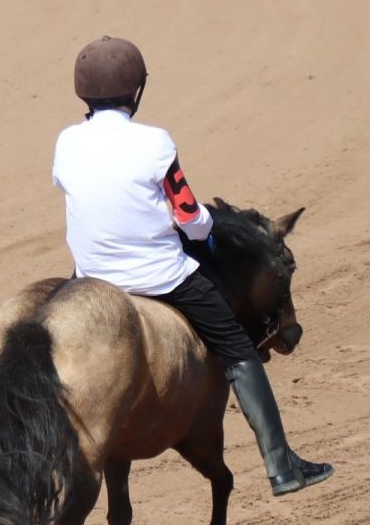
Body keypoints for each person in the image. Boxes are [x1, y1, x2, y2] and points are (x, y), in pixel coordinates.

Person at [50, 37, 334, 497]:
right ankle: (282, 466)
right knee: (239, 349)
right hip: (161, 276)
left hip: (90, 277)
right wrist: (204, 228)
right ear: (135, 91)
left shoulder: (66, 141)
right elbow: (188, 217)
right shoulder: (154, 141)